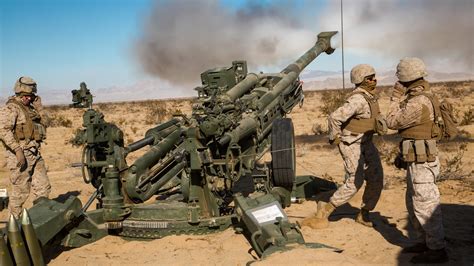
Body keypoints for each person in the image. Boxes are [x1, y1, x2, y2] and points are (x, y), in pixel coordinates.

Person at [302, 64, 385, 229]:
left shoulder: (370, 97)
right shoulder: (357, 99)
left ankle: (364, 213)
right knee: (355, 181)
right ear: (361, 80)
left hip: (366, 143)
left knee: (376, 178)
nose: (374, 80)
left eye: (374, 77)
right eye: (370, 78)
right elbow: (334, 118)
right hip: (352, 144)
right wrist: (335, 138)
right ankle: (325, 211)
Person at [386, 58, 448, 264]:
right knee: (413, 201)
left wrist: (394, 98)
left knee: (425, 203)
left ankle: (437, 249)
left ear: (404, 78)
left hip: (423, 161)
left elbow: (392, 121)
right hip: (416, 157)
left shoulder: (417, 101)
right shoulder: (419, 97)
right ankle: (425, 242)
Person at [0, 76, 51, 219]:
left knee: (43, 188)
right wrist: (17, 150)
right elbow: (3, 130)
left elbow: (46, 122)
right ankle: (14, 226)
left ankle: (40, 219)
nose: (28, 98)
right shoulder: (11, 108)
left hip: (35, 153)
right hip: (20, 156)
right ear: (19, 94)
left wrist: (40, 108)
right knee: (20, 192)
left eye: (31, 96)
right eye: (26, 96)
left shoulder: (32, 109)